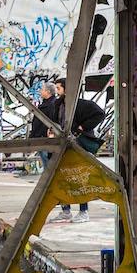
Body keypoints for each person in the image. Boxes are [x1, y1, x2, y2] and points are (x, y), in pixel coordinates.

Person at [48, 77, 106, 224]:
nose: (57, 90)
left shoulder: (81, 104)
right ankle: (65, 210)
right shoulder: (58, 104)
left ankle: (83, 211)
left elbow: (100, 114)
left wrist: (83, 127)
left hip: (78, 144)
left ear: (67, 89)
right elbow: (56, 122)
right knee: (63, 178)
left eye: (59, 88)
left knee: (80, 178)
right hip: (63, 145)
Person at [31, 82, 58, 170]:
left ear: (48, 92)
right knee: (47, 164)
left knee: (48, 165)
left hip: (44, 138)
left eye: (42, 89)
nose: (40, 91)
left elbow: (42, 123)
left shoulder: (50, 105)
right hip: (42, 138)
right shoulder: (49, 104)